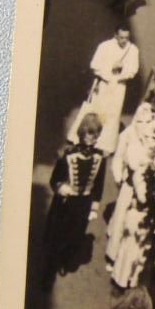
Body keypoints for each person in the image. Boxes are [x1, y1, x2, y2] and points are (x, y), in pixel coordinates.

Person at [41, 114, 105, 287]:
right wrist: (61, 188)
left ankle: (65, 259)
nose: (91, 139)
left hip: (83, 204)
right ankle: (49, 273)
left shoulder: (100, 157)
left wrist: (94, 206)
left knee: (75, 236)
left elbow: (99, 184)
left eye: (95, 134)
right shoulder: (68, 155)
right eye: (88, 134)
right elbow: (54, 180)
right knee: (57, 237)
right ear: (81, 133)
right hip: (65, 204)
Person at [105, 104, 155, 288]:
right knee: (121, 220)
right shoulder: (127, 134)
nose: (145, 123)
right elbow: (118, 157)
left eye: (148, 119)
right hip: (129, 185)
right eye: (141, 119)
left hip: (144, 188)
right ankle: (113, 256)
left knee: (136, 229)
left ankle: (129, 268)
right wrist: (118, 176)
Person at [68, 27, 140, 155]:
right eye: (121, 37)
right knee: (96, 111)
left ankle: (105, 145)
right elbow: (94, 65)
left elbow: (133, 69)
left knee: (113, 114)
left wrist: (122, 71)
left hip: (119, 85)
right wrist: (110, 69)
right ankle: (83, 138)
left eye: (127, 38)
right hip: (103, 83)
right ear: (115, 36)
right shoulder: (104, 46)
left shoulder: (133, 50)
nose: (124, 41)